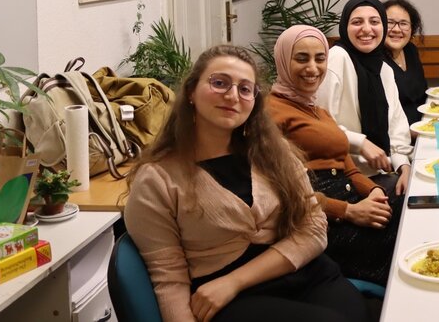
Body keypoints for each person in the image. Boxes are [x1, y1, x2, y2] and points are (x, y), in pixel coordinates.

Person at [124, 45, 365, 322]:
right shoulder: (158, 178)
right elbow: (168, 279)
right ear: (191, 92)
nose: (232, 96)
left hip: (302, 272)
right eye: (219, 83)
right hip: (229, 300)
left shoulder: (274, 152)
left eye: (245, 89)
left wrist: (235, 281)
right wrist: (227, 287)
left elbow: (313, 228)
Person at [267, 26, 400, 287]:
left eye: (320, 58)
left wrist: (373, 191)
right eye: (301, 58)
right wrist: (349, 212)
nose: (313, 68)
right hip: (321, 222)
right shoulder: (269, 114)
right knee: (403, 244)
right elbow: (282, 192)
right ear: (282, 60)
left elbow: (347, 166)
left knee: (412, 213)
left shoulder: (317, 110)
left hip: (353, 200)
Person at [319, 0, 413, 195]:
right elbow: (321, 125)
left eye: (374, 21)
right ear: (345, 26)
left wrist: (403, 166)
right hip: (342, 176)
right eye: (357, 22)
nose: (367, 29)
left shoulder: (384, 69)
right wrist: (360, 143)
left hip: (381, 171)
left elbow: (396, 125)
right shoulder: (337, 59)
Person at [382, 0, 428, 125]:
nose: (397, 29)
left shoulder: (410, 50)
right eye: (390, 23)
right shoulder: (374, 60)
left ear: (412, 29)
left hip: (424, 125)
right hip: (398, 136)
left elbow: (423, 94)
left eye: (403, 23)